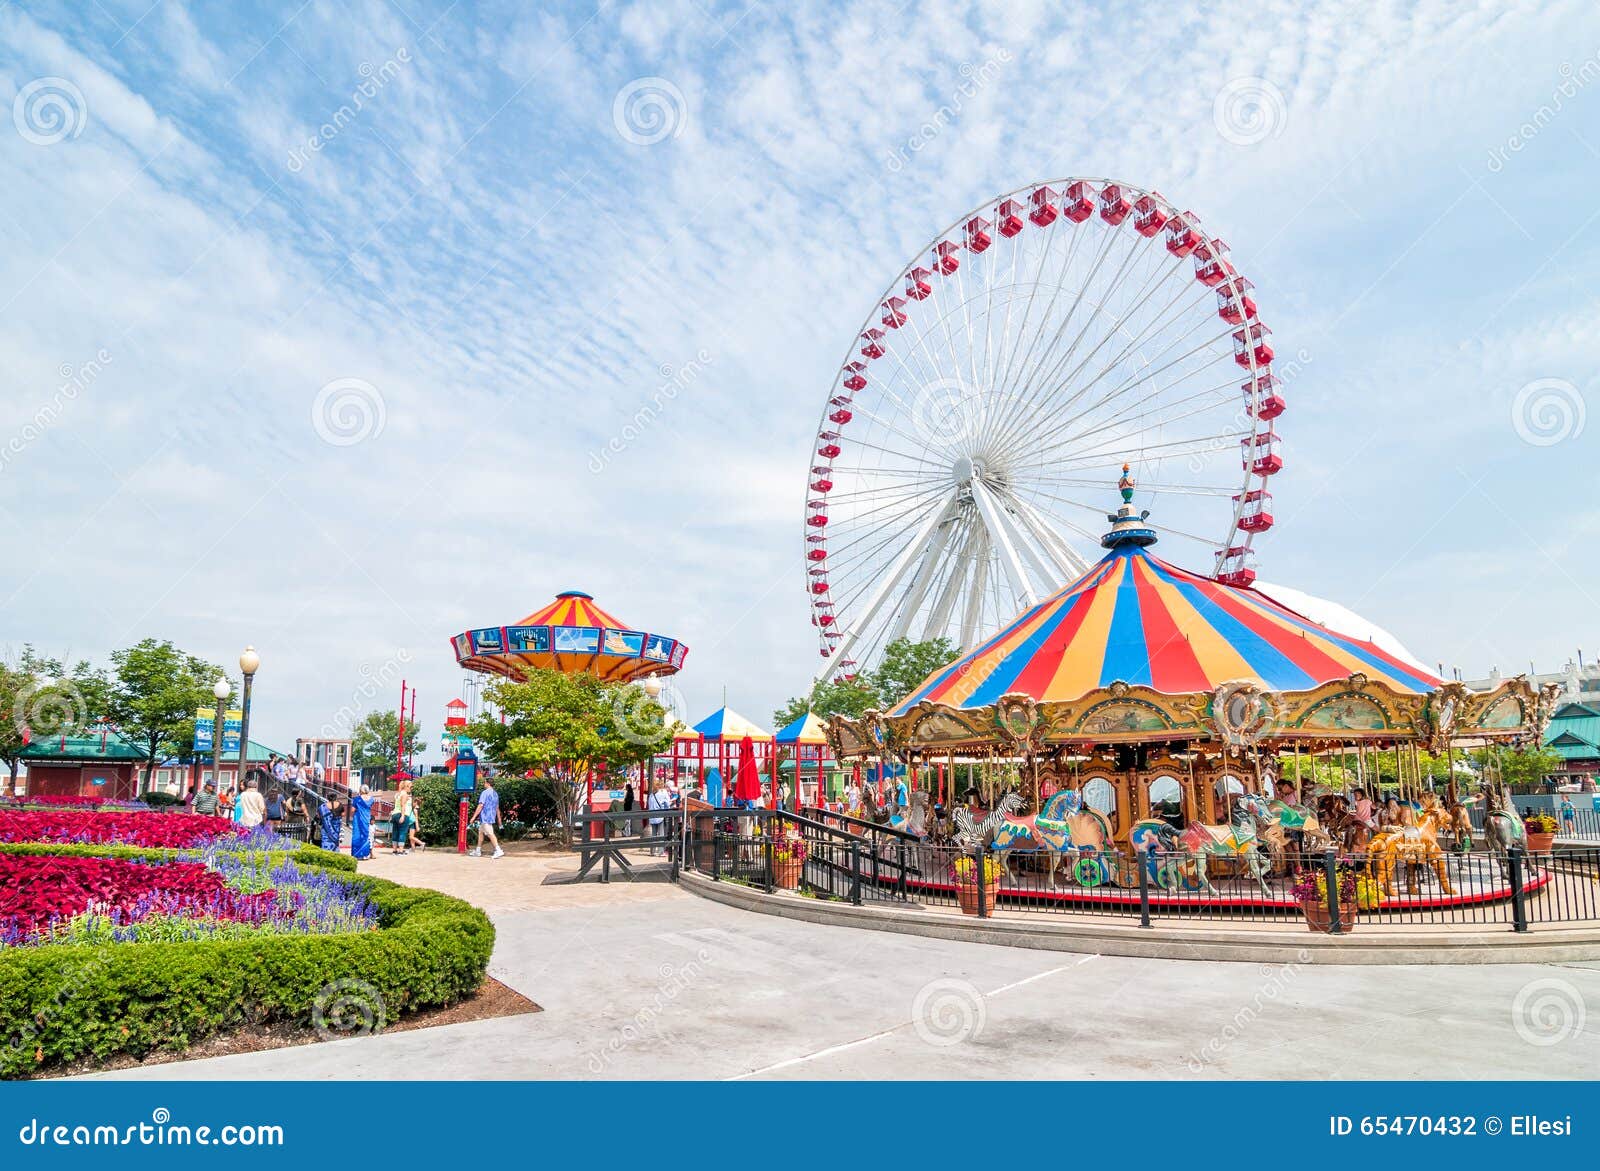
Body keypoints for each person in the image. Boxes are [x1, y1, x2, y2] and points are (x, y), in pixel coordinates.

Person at [467, 777, 504, 859]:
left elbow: (480, 805)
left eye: (484, 783)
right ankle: (478, 850)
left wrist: (473, 817)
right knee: (481, 832)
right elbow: (497, 807)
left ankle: (498, 850)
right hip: (491, 816)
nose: (484, 784)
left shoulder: (485, 793)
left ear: (488, 784)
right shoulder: (495, 793)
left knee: (490, 833)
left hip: (485, 817)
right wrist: (499, 820)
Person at [647, 780, 672, 855]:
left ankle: (652, 851)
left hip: (652, 815)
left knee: (653, 834)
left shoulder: (652, 794)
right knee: (661, 834)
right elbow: (667, 803)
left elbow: (649, 804)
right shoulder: (663, 793)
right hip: (660, 815)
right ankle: (661, 852)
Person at [390, 780, 413, 855]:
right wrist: (403, 816)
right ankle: (400, 851)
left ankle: (394, 850)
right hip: (402, 814)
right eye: (410, 786)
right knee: (402, 832)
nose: (411, 788)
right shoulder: (404, 794)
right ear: (406, 786)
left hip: (395, 814)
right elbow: (403, 805)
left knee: (395, 832)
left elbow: (395, 805)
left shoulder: (397, 794)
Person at [350, 785, 373, 860]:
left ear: (360, 790)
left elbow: (352, 810)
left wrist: (352, 816)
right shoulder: (371, 799)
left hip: (358, 819)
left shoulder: (357, 799)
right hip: (366, 818)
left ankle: (356, 854)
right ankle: (365, 855)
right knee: (365, 836)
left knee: (357, 835)